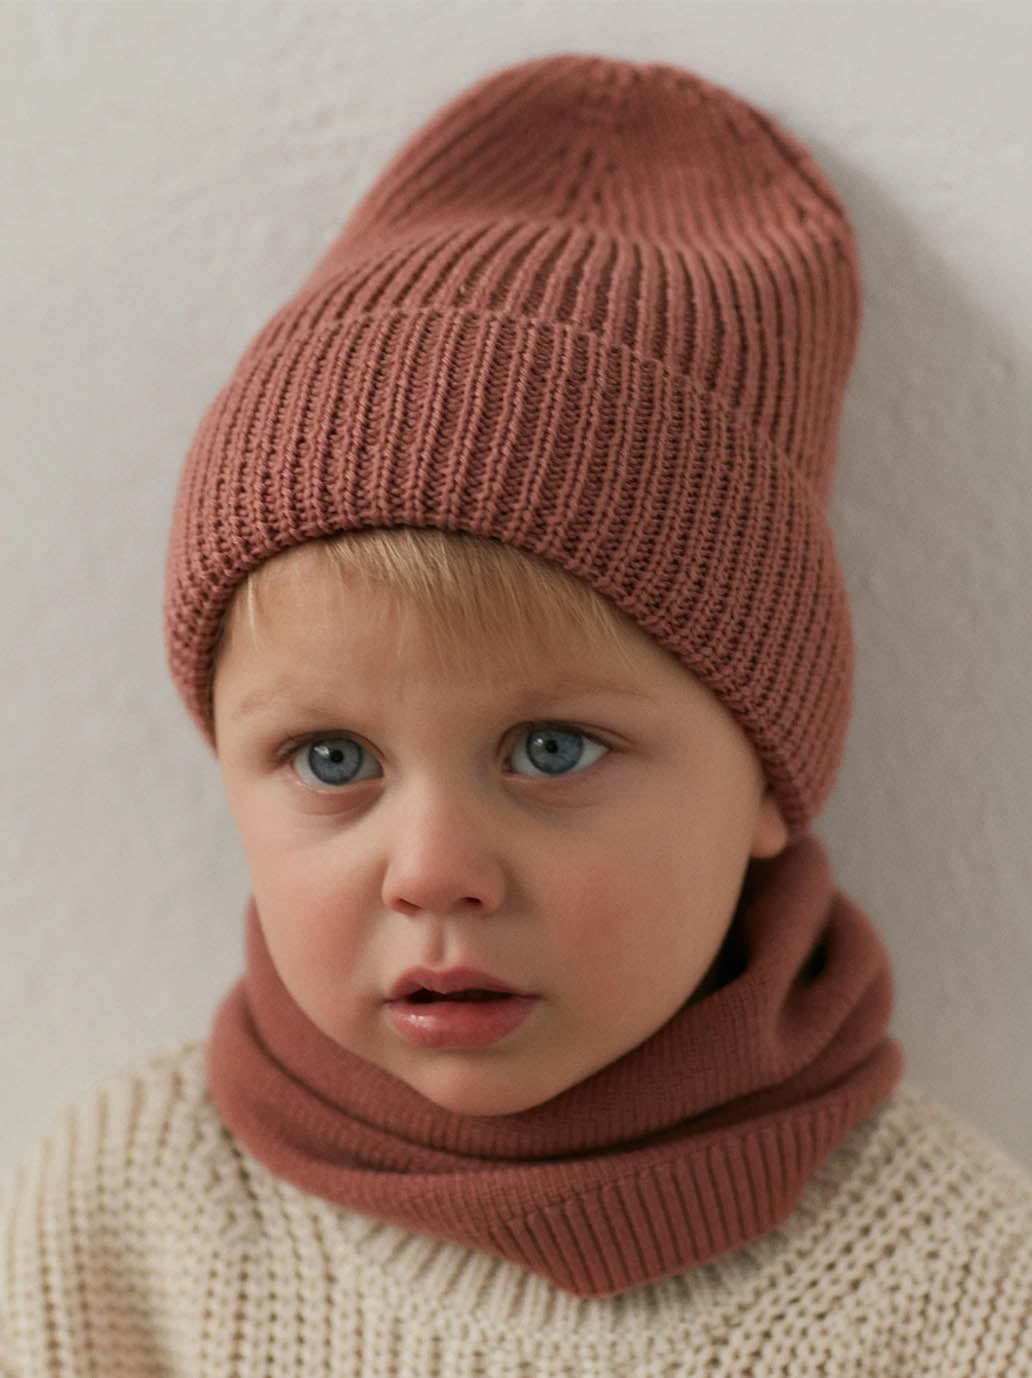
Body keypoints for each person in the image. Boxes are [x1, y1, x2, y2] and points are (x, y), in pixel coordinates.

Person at [3, 51, 1031, 1377]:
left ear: (773, 772)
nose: (434, 869)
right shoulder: (115, 1231)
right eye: (331, 757)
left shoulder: (958, 1297)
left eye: (552, 750)